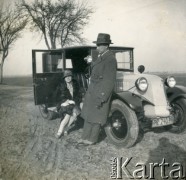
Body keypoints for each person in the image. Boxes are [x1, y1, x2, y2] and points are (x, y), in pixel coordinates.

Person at [80, 33, 117, 145]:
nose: (97, 48)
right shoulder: (102, 57)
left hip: (99, 93)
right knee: (88, 115)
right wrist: (91, 62)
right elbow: (96, 69)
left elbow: (109, 81)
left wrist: (102, 97)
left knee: (96, 118)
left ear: (106, 46)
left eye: (99, 45)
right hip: (92, 92)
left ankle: (91, 140)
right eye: (97, 45)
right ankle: (85, 137)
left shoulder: (111, 59)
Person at [55, 70, 82, 138]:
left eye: (69, 76)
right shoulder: (61, 85)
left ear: (71, 77)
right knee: (68, 114)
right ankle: (60, 131)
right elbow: (58, 96)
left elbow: (79, 94)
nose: (68, 78)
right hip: (63, 103)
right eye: (66, 76)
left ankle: (65, 129)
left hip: (74, 102)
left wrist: (76, 101)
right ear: (64, 78)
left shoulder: (75, 83)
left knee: (75, 114)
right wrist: (67, 101)